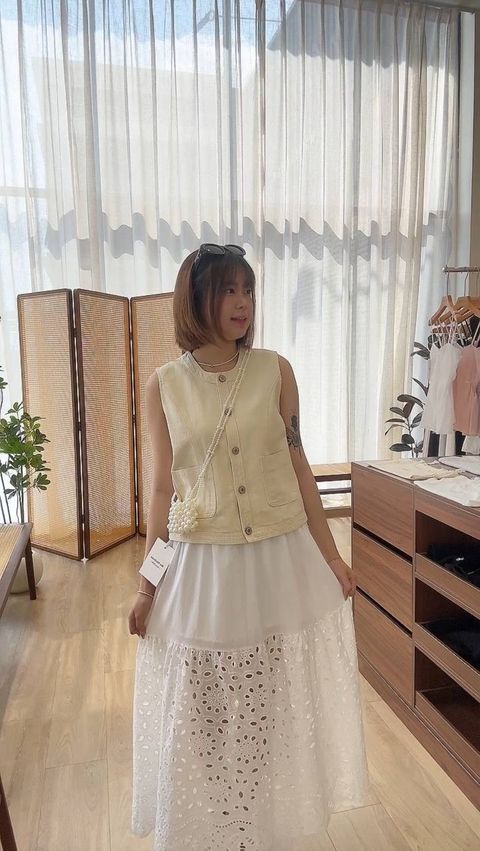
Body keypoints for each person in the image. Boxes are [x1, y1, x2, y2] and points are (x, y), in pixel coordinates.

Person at [129, 243, 370, 851]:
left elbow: (299, 465)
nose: (243, 303)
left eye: (249, 290)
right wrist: (146, 586)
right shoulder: (163, 386)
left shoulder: (276, 371)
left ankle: (252, 824)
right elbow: (161, 489)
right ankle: (221, 818)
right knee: (203, 705)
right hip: (200, 569)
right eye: (228, 290)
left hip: (274, 561)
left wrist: (332, 558)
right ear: (196, 300)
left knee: (266, 699)